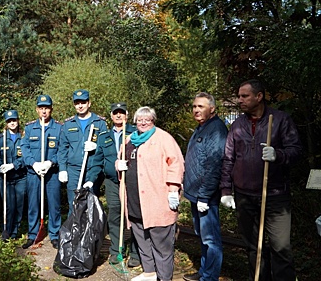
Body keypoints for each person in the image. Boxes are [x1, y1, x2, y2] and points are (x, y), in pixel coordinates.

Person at [220, 80, 301, 281]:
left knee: (280, 248)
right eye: (239, 96)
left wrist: (278, 155)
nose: (240, 100)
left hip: (274, 195)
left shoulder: (280, 120)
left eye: (245, 96)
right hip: (244, 195)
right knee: (254, 247)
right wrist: (225, 191)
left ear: (259, 96)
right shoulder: (237, 125)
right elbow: (229, 158)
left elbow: (297, 151)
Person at [116, 106, 184, 281]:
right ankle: (149, 272)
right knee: (142, 241)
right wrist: (118, 165)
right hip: (134, 202)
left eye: (147, 119)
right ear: (135, 121)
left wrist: (174, 189)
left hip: (157, 202)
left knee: (161, 245)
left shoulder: (163, 138)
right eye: (140, 119)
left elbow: (176, 163)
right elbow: (122, 162)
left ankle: (164, 277)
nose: (143, 122)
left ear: (153, 120)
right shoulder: (130, 139)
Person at [183, 93, 228, 281]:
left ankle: (210, 277)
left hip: (206, 195)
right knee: (202, 236)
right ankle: (204, 272)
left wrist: (204, 195)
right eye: (194, 106)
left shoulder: (216, 130)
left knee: (211, 239)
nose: (196, 110)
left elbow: (215, 165)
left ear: (212, 109)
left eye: (201, 106)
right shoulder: (201, 128)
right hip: (196, 194)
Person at [89, 102, 140, 268]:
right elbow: (97, 160)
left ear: (127, 114)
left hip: (132, 182)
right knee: (114, 214)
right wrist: (91, 178)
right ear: (111, 116)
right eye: (115, 113)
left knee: (133, 216)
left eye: (121, 113)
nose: (118, 116)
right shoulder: (105, 136)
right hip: (112, 182)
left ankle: (135, 253)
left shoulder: (136, 133)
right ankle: (115, 250)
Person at [20, 95, 62, 249]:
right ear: (37, 110)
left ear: (51, 109)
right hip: (34, 173)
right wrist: (34, 163)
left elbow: (62, 150)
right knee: (33, 204)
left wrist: (51, 162)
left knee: (54, 204)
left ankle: (55, 234)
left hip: (52, 173)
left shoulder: (59, 128)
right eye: (41, 108)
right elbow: (24, 149)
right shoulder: (30, 128)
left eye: (47, 108)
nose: (44, 111)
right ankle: (33, 234)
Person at [57, 89, 107, 215]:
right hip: (74, 170)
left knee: (91, 204)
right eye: (77, 103)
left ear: (89, 103)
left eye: (83, 102)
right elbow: (63, 148)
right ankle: (74, 233)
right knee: (73, 203)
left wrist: (96, 145)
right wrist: (62, 168)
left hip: (92, 169)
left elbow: (107, 146)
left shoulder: (100, 123)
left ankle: (91, 233)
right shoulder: (68, 124)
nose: (80, 106)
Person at [0, 110, 26, 239]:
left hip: (20, 177)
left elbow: (26, 156)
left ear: (18, 121)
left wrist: (14, 165)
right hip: (5, 178)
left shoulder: (23, 138)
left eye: (14, 120)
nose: (12, 123)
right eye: (9, 121)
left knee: (18, 205)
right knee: (8, 205)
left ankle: (15, 232)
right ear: (6, 123)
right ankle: (6, 230)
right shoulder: (0, 139)